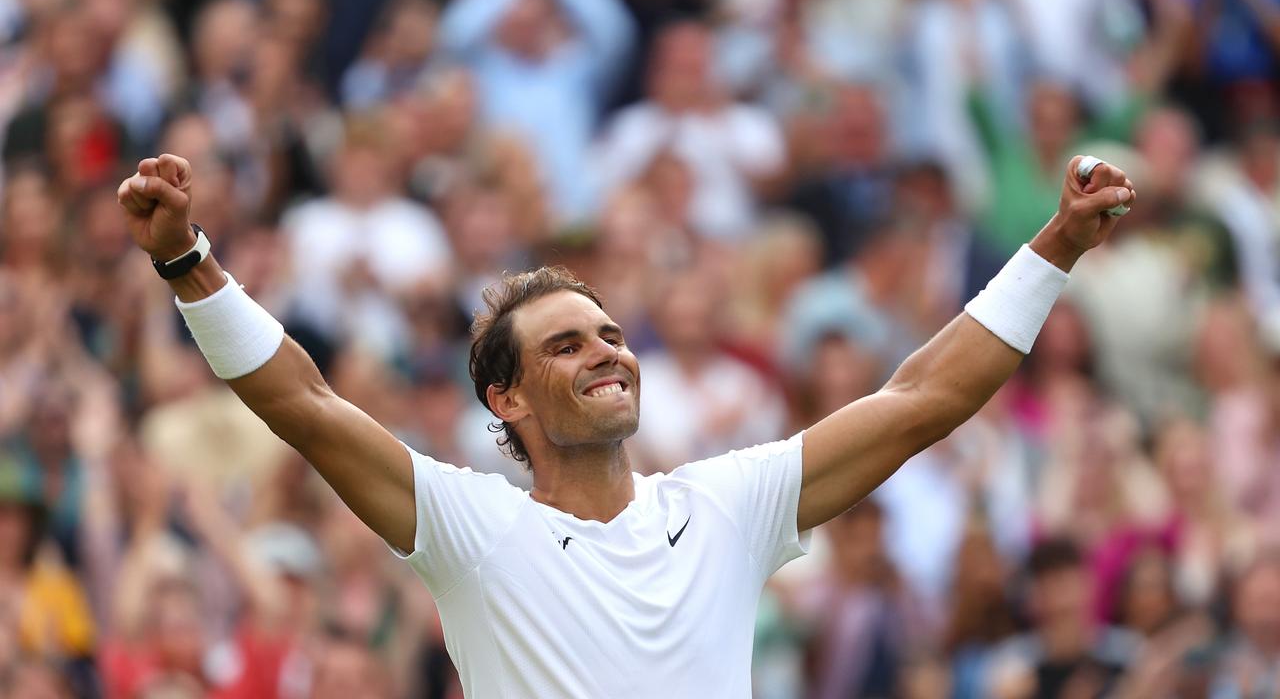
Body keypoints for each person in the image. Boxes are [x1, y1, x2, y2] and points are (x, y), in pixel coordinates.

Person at [115, 152, 1134, 696]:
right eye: (564, 345)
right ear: (503, 401)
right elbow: (303, 401)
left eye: (608, 333)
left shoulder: (726, 504)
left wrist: (1053, 245)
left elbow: (922, 399)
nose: (606, 350)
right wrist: (183, 260)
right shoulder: (469, 529)